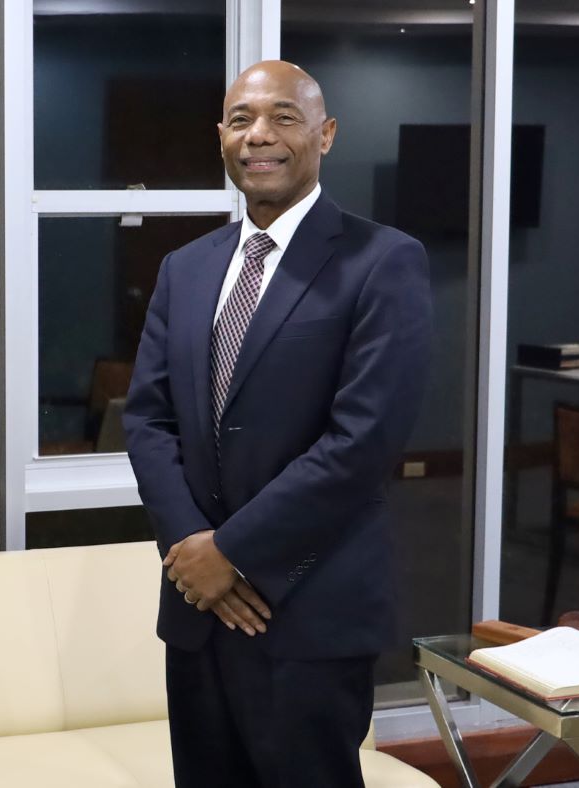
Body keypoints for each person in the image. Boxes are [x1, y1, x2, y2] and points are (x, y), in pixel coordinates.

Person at [122, 61, 433, 786]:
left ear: (324, 135)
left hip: (309, 609)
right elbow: (147, 421)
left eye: (284, 118)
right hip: (197, 612)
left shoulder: (382, 261)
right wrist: (193, 552)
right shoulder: (185, 268)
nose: (259, 135)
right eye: (240, 120)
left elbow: (363, 442)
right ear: (221, 138)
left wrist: (233, 552)